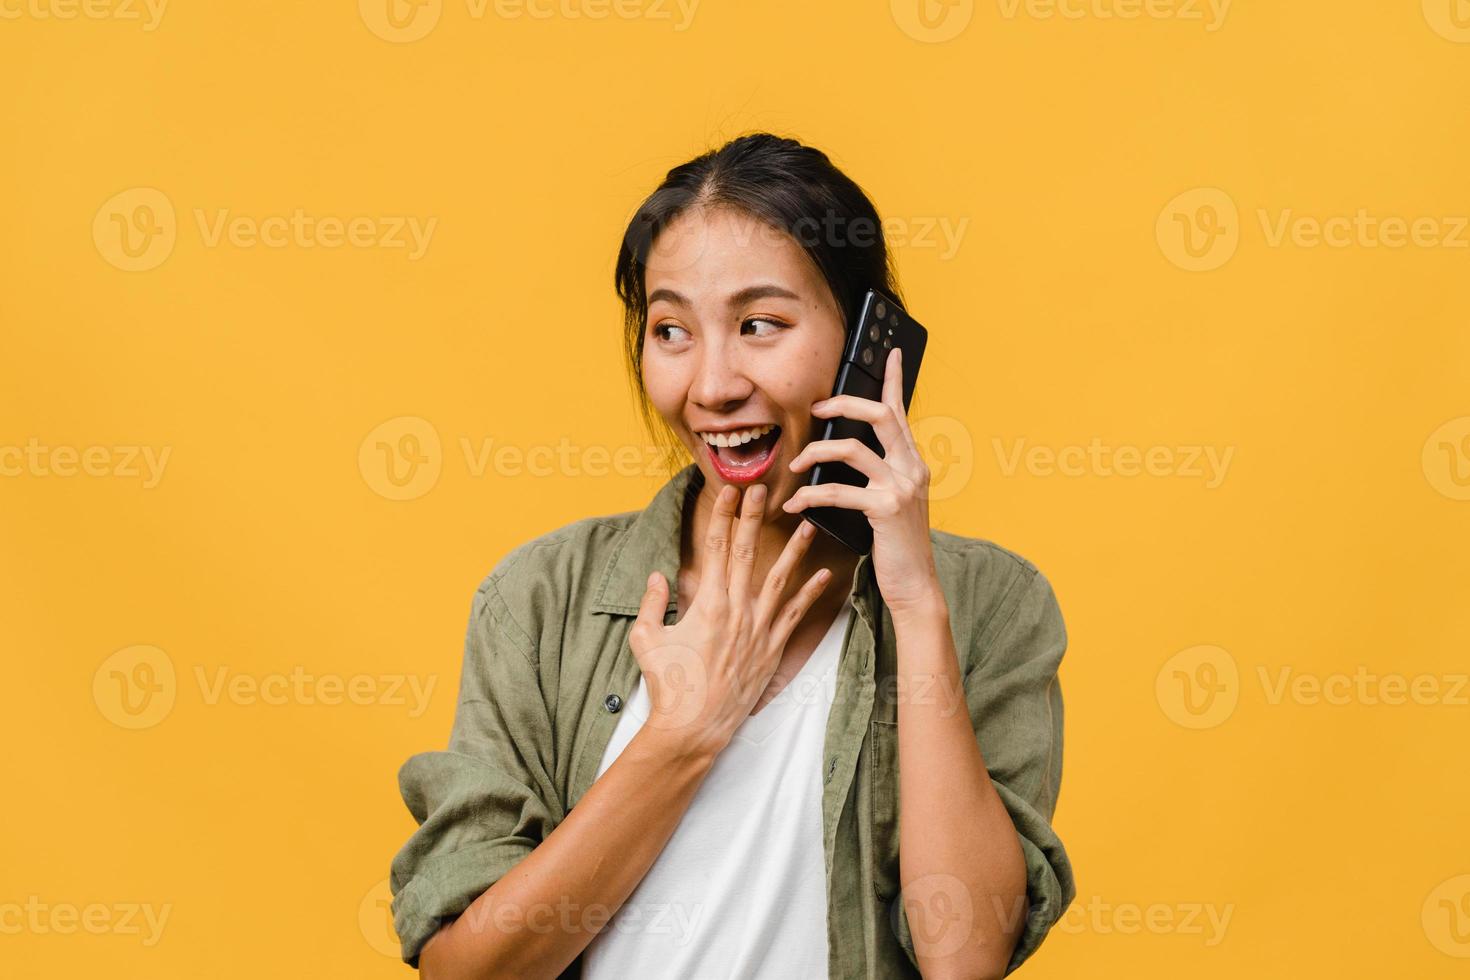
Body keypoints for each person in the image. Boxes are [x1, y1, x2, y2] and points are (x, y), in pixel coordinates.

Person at [389, 132, 1075, 979]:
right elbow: (464, 971)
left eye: (759, 325)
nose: (712, 385)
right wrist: (683, 732)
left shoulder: (991, 604)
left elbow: (963, 957)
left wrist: (915, 605)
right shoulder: (540, 599)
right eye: (671, 330)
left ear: (869, 341)